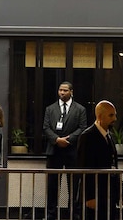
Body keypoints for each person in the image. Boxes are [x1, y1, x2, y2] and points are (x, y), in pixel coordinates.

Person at [42, 82, 87, 219]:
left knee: (73, 185)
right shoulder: (50, 109)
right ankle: (51, 214)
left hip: (72, 151)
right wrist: (56, 140)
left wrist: (68, 140)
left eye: (65, 90)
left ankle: (74, 214)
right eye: (60, 90)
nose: (62, 92)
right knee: (52, 185)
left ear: (71, 92)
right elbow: (46, 127)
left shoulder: (80, 109)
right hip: (54, 151)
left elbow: (82, 128)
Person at [77, 100, 123, 220]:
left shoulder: (108, 136)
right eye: (111, 115)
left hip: (109, 194)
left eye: (115, 114)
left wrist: (122, 193)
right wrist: (89, 197)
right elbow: (84, 168)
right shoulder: (87, 136)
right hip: (95, 195)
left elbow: (113, 167)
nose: (115, 118)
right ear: (100, 116)